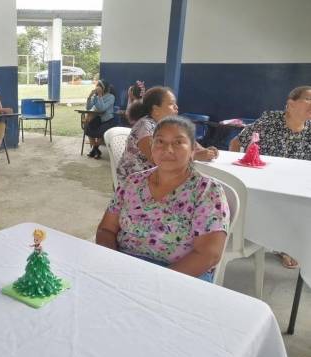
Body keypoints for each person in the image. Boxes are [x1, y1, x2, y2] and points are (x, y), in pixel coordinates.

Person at [96, 116, 230, 282]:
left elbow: (208, 255)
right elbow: (106, 230)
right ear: (151, 147)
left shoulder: (207, 191)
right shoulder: (132, 182)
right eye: (159, 141)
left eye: (178, 142)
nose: (168, 149)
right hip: (124, 266)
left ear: (193, 150)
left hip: (179, 277)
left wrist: (155, 281)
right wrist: (112, 263)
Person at [229, 85, 311, 268]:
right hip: (263, 181)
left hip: (293, 184)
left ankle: (291, 246)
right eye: (309, 99)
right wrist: (237, 174)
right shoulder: (270, 120)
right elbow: (236, 142)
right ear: (290, 104)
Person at [116, 86, 219, 185]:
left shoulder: (169, 126)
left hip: (160, 176)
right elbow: (155, 158)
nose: (176, 107)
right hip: (134, 182)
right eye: (171, 104)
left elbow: (189, 142)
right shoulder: (145, 126)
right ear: (156, 110)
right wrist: (195, 155)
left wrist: (206, 151)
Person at [85, 79, 116, 159]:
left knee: (102, 133)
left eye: (99, 86)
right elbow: (88, 108)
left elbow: (102, 108)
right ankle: (96, 150)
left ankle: (94, 149)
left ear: (104, 88)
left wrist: (100, 96)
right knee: (87, 129)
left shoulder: (111, 97)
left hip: (107, 121)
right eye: (97, 86)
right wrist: (89, 97)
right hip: (97, 120)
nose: (97, 87)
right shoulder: (95, 96)